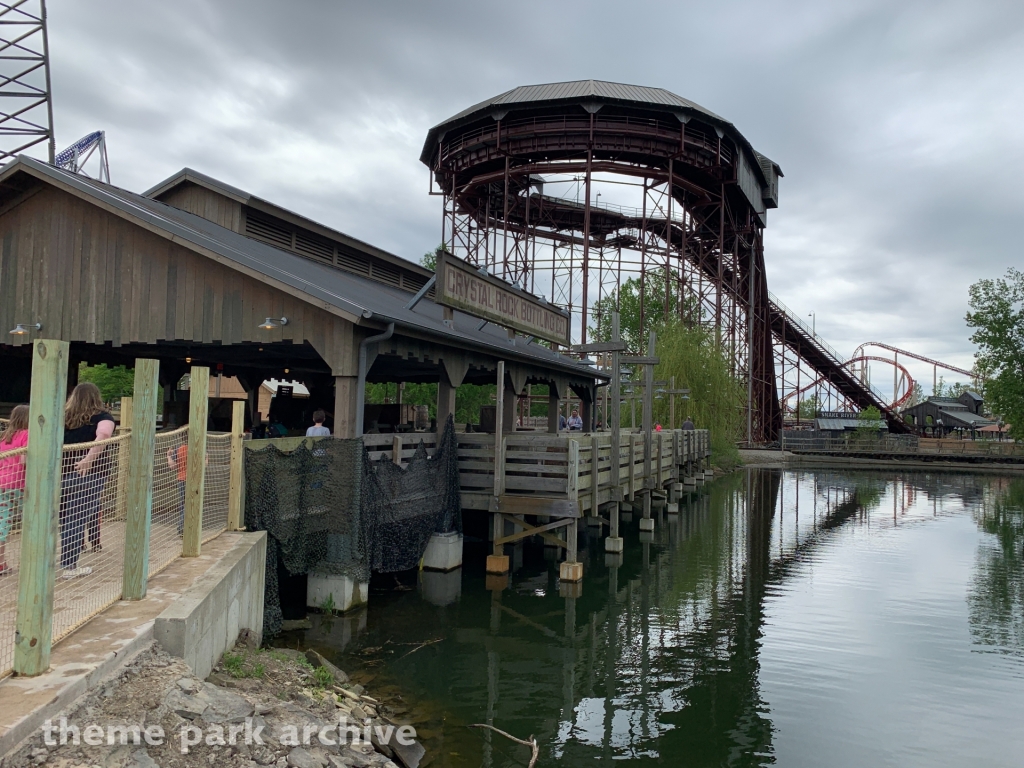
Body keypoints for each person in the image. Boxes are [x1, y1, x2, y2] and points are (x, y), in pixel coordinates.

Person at [60, 382, 116, 578]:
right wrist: (89, 459)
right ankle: (69, 566)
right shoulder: (103, 417)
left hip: (61, 474)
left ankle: (57, 561)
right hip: (90, 474)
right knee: (76, 519)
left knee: (63, 519)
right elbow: (103, 435)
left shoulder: (64, 418)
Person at [0, 405, 29, 576]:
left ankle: (1, 562)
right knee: (32, 521)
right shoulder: (27, 434)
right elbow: (25, 460)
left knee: (3, 523)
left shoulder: (5, 437)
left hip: (2, 483)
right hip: (20, 484)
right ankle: (30, 560)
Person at [167, 441, 188, 535]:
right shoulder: (199, 446)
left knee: (183, 504)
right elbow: (205, 464)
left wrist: (168, 456)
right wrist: (207, 457)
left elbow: (173, 466)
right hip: (195, 479)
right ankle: (184, 526)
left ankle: (182, 526)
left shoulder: (179, 449)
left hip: (182, 479)